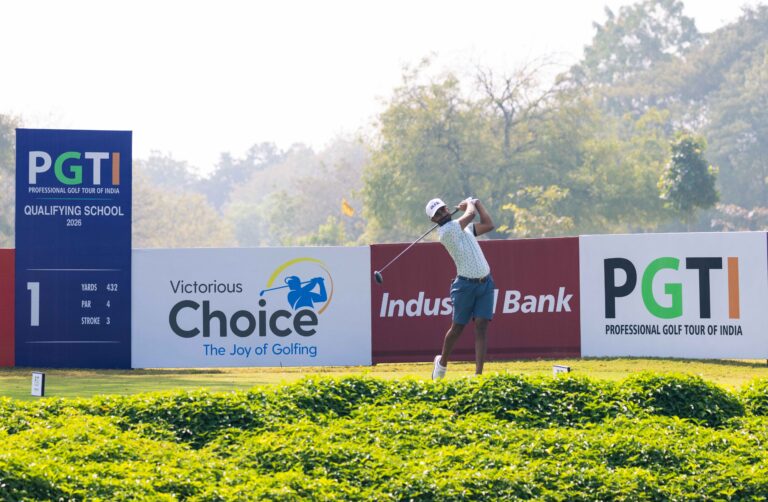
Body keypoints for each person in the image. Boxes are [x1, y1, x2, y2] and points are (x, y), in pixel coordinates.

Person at [425, 196, 495, 379]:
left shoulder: (462, 228)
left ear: (447, 208)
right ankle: (441, 364)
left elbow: (488, 224)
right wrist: (470, 204)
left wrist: (479, 203)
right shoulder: (447, 231)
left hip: (485, 283)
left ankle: (478, 375)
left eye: (442, 209)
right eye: (437, 214)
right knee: (458, 328)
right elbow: (470, 214)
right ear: (434, 220)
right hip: (465, 285)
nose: (442, 213)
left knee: (482, 326)